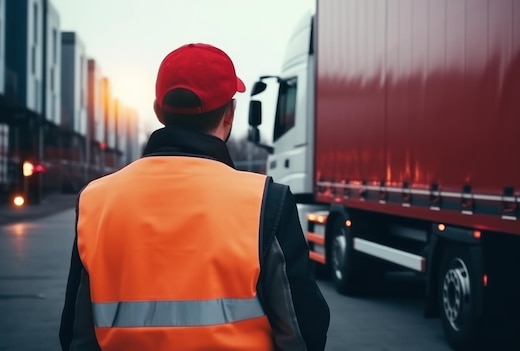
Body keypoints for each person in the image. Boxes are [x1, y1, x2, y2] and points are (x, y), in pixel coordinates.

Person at [59, 43, 330, 351]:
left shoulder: (96, 200)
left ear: (158, 111)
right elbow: (303, 328)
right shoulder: (265, 201)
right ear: (230, 114)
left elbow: (76, 334)